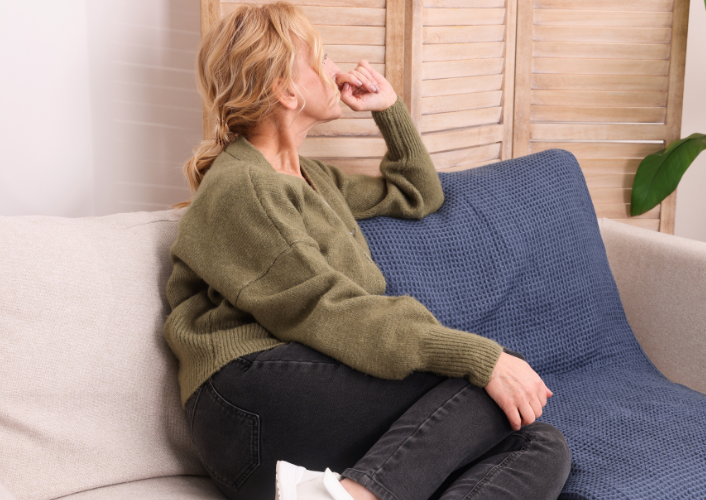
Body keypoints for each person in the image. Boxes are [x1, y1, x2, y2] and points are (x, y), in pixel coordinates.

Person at [162, 3, 571, 500]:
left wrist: (389, 110)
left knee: (538, 445)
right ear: (287, 90)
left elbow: (417, 192)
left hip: (296, 408)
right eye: (324, 58)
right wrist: (477, 356)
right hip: (247, 407)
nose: (338, 71)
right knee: (482, 385)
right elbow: (327, 309)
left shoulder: (312, 179)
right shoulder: (242, 186)